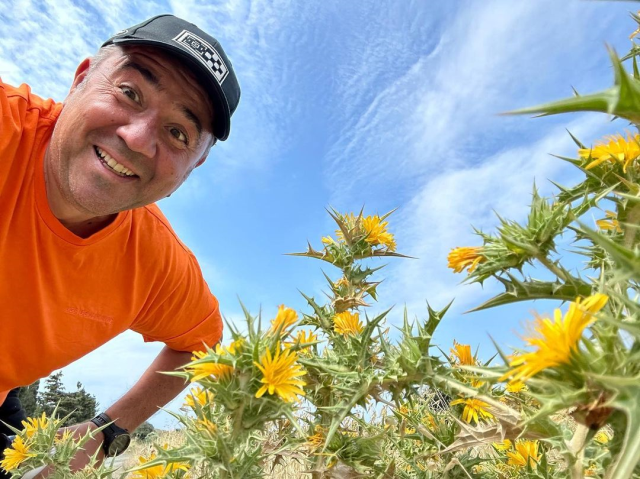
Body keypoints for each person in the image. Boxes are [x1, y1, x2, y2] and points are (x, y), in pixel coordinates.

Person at [0, 14, 241, 475]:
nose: (136, 137)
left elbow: (201, 343)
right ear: (80, 80)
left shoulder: (156, 263)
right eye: (129, 93)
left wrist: (106, 431)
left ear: (192, 168)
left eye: (177, 133)